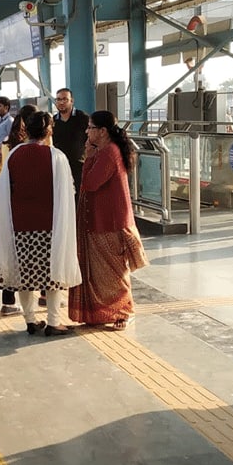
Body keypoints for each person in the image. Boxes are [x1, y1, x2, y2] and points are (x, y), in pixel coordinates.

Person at [0, 111, 81, 336]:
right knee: (51, 274)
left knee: (24, 274)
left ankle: (30, 320)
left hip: (20, 223)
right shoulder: (56, 156)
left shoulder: (14, 154)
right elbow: (67, 191)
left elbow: (5, 190)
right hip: (50, 224)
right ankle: (53, 321)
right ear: (49, 130)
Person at [68, 111, 148, 330]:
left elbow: (91, 183)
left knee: (113, 273)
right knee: (100, 273)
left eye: (91, 128)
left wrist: (89, 157)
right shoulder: (106, 150)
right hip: (99, 219)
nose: (87, 131)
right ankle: (101, 312)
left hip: (108, 221)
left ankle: (124, 310)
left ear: (102, 131)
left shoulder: (108, 153)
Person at [0, 104, 37, 315]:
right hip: (31, 208)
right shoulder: (38, 148)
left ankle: (8, 301)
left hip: (6, 205)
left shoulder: (6, 144)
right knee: (39, 252)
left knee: (11, 254)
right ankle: (45, 294)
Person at [51, 88, 89, 196]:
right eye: (58, 99)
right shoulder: (53, 122)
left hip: (79, 166)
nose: (61, 102)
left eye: (65, 99)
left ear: (71, 101)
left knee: (79, 196)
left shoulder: (82, 118)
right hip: (60, 166)